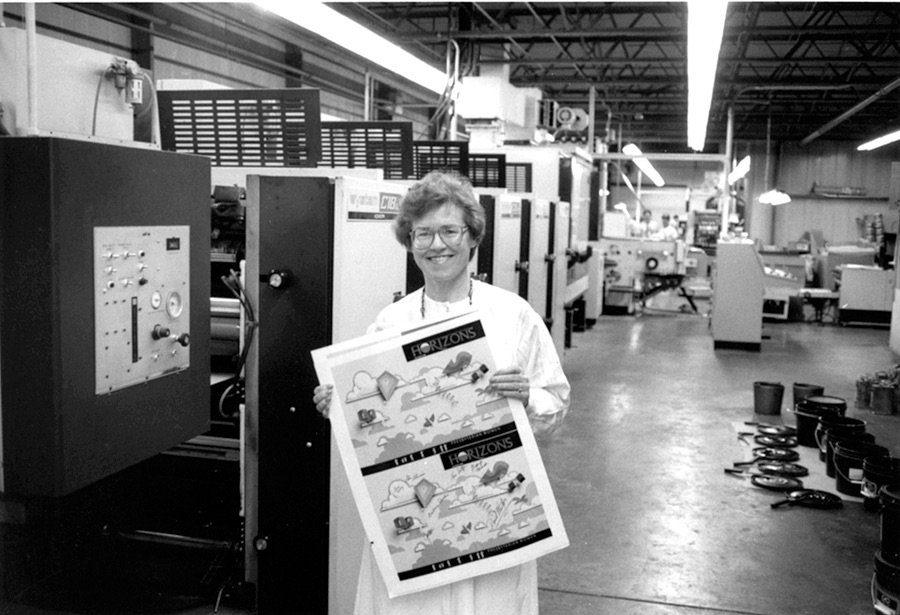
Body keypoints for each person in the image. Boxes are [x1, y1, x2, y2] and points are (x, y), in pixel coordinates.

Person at [312, 170, 571, 615]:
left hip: (492, 507)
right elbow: (371, 416)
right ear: (409, 241)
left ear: (473, 237)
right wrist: (337, 404)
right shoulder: (391, 323)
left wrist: (528, 395)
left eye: (450, 230)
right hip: (416, 517)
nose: (437, 245)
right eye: (423, 234)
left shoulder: (512, 315)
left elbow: (556, 402)